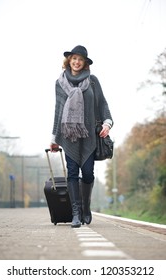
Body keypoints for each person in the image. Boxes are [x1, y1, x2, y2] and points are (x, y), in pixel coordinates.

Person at [50, 45, 113, 228]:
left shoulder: (92, 81)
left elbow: (102, 104)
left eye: (80, 59)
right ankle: (76, 212)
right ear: (69, 61)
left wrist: (107, 123)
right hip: (69, 135)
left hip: (89, 136)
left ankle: (86, 207)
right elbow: (58, 111)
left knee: (87, 173)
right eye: (74, 59)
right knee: (71, 173)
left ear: (85, 63)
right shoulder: (60, 83)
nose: (77, 62)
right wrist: (54, 139)